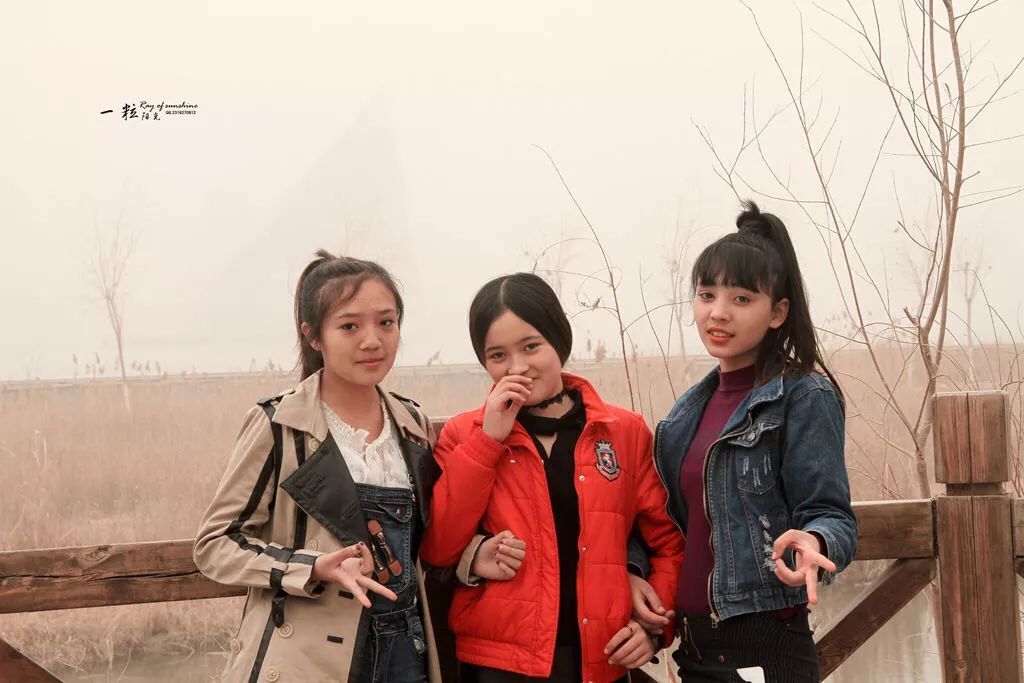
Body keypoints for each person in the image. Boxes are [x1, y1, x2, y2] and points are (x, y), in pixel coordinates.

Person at [194, 250, 476, 682]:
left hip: (407, 652)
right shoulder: (281, 425)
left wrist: (474, 555)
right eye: (350, 326)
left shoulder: (412, 423)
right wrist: (311, 567)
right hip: (308, 660)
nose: (372, 340)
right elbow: (216, 544)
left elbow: (426, 540)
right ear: (313, 336)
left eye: (386, 322)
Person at [630, 202, 858, 682]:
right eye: (706, 294)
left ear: (777, 313)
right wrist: (634, 572)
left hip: (764, 644)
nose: (718, 312)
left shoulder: (802, 396)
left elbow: (832, 515)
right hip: (693, 647)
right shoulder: (684, 416)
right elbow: (660, 525)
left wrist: (814, 541)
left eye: (741, 298)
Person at [420, 272, 684, 683]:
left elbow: (668, 544)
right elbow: (438, 548)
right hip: (499, 667)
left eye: (531, 346)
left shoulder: (623, 432)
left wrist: (651, 626)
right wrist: (488, 441)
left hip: (603, 657)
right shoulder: (464, 434)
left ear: (559, 341)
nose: (518, 367)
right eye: (498, 355)